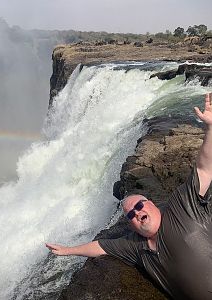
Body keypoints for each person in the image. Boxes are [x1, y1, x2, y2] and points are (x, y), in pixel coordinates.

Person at [46, 93, 212, 300]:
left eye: (140, 205)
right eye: (131, 214)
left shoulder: (182, 208)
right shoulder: (135, 247)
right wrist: (68, 250)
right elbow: (101, 246)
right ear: (130, 224)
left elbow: (204, 170)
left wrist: (210, 129)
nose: (137, 212)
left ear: (151, 203)